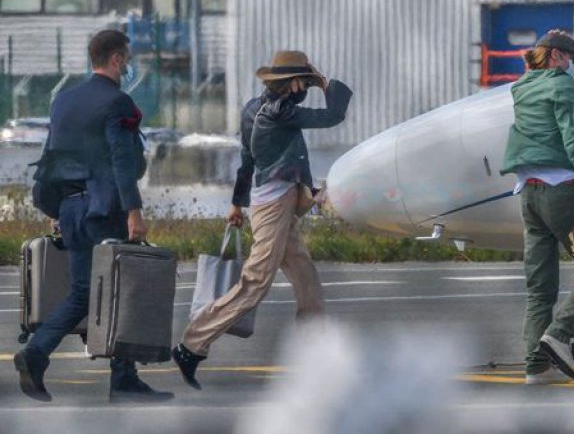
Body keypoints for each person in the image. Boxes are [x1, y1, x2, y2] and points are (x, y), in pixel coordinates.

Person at [172, 51, 352, 389]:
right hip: (274, 206)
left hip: (273, 201)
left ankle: (316, 358)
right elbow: (334, 115)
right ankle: (191, 345)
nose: (307, 89)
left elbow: (246, 159)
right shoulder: (282, 111)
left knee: (305, 276)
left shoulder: (253, 108)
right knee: (255, 283)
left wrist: (237, 204)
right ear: (293, 83)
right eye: (305, 83)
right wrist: (326, 83)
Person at [14, 30, 173, 403]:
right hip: (103, 209)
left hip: (70, 208)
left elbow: (52, 155)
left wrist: (55, 210)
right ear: (116, 59)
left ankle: (118, 375)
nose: (130, 64)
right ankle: (53, 359)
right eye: (128, 57)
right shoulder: (118, 103)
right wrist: (134, 211)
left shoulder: (63, 100)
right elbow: (121, 159)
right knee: (122, 287)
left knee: (86, 292)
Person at [499, 30, 574, 385]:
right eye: (571, 60)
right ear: (558, 56)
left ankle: (536, 367)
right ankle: (560, 334)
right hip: (562, 190)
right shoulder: (561, 85)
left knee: (540, 287)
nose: (572, 67)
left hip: (528, 194)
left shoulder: (523, 86)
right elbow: (573, 134)